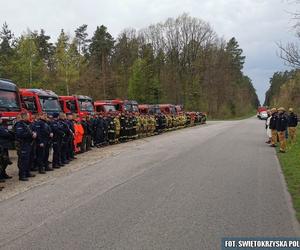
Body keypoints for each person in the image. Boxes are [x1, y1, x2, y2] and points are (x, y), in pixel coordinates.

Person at [15, 112, 37, 181]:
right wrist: (30, 134)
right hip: (23, 144)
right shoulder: (19, 124)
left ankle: (27, 172)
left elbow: (31, 130)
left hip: (29, 144)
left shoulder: (26, 124)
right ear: (24, 117)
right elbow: (20, 134)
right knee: (23, 160)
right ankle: (22, 175)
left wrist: (34, 133)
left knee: (29, 159)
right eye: (28, 116)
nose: (29, 117)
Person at [0, 114, 14, 182]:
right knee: (2, 162)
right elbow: (5, 134)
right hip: (1, 146)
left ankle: (3, 173)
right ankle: (0, 176)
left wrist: (9, 134)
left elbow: (8, 132)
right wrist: (9, 134)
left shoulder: (2, 126)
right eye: (0, 118)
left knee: (5, 161)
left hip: (4, 146)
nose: (1, 120)